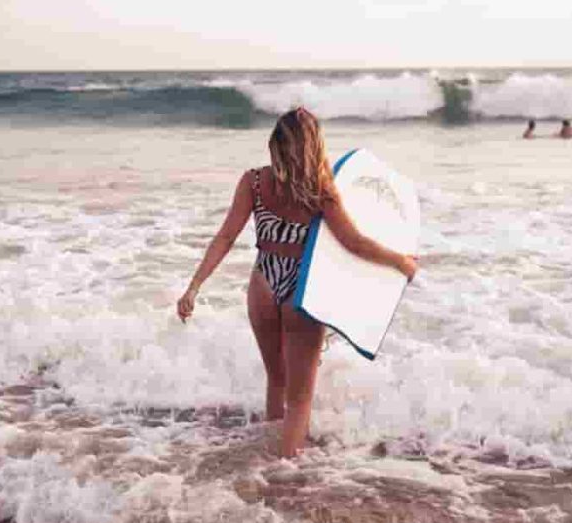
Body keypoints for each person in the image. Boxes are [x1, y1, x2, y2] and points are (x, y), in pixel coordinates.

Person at [176, 107, 418, 458]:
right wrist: (401, 262)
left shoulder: (254, 182)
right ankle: (285, 472)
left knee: (276, 380)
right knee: (300, 397)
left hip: (263, 284)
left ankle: (268, 460)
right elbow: (355, 242)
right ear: (314, 146)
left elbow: (226, 236)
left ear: (275, 143)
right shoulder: (322, 192)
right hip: (300, 292)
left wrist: (194, 286)